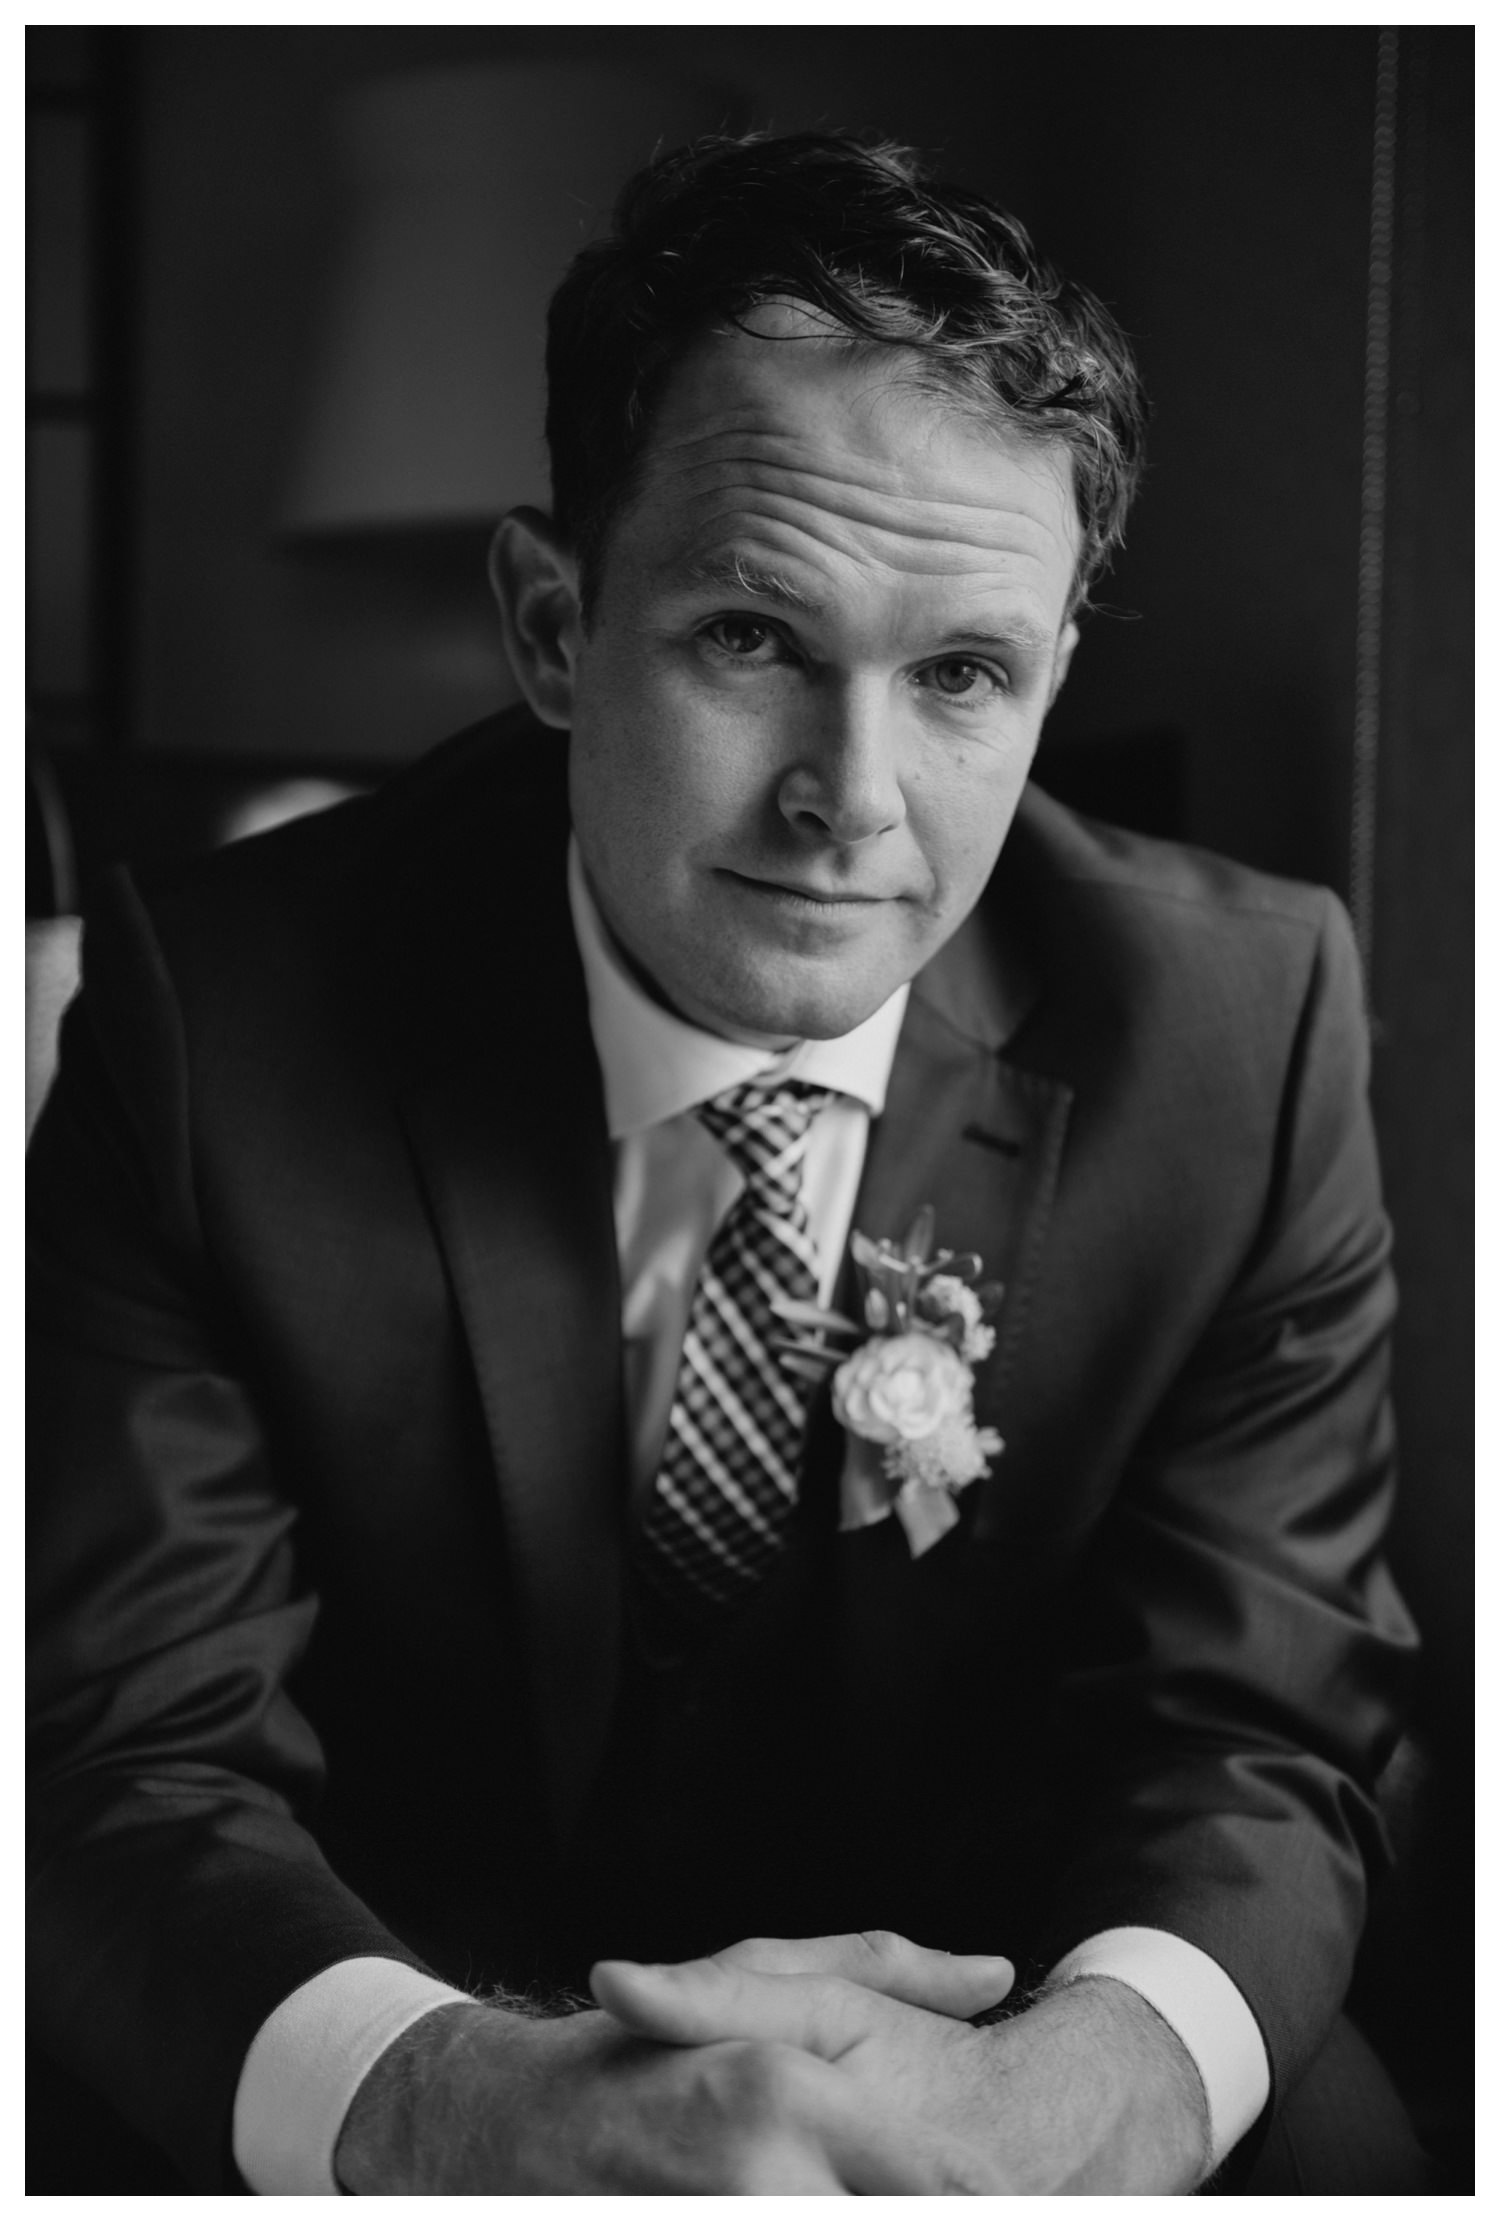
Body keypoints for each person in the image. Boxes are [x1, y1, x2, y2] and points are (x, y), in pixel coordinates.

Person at [28, 131, 1427, 2194]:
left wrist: (1072, 2095)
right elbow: (129, 1755)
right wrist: (441, 2101)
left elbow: (1259, 1728)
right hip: (400, 1982)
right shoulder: (206, 1019)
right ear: (550, 618)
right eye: (753, 638)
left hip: (1000, 2002)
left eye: (961, 675)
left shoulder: (1245, 1022)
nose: (850, 801)